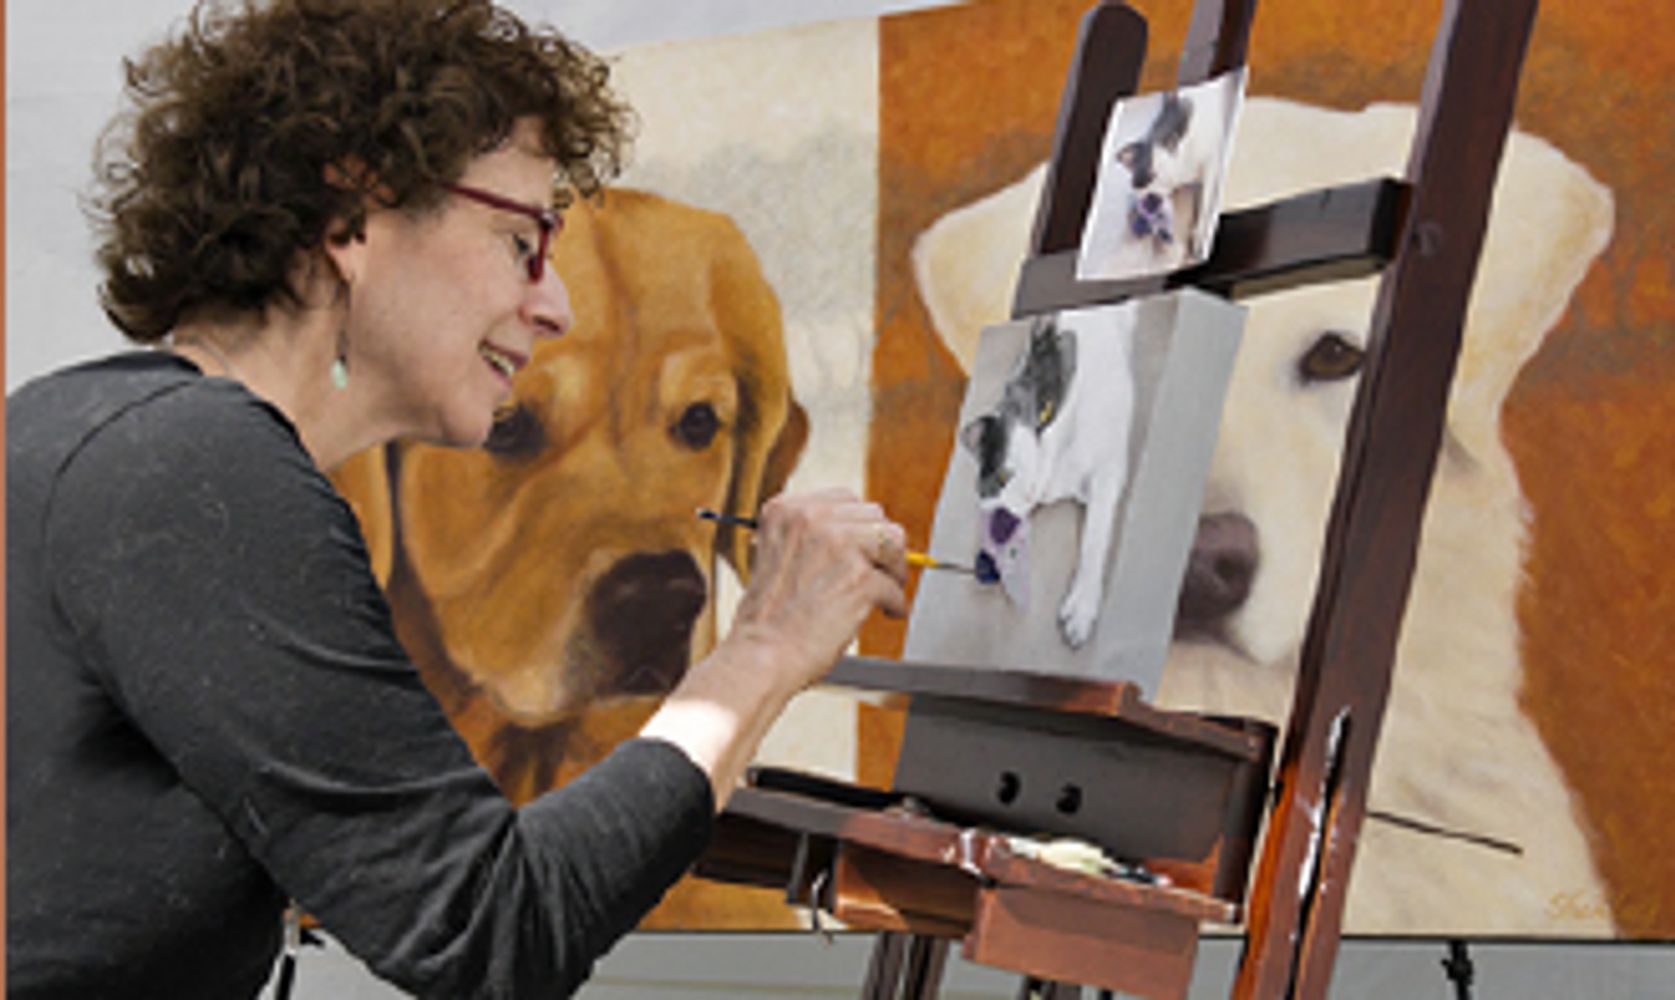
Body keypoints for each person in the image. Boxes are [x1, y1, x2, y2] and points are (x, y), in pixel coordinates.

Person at [4, 1, 910, 996]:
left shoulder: (76, 427)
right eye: (520, 240)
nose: (551, 302)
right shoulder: (199, 469)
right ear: (350, 218)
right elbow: (490, 931)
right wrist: (767, 647)